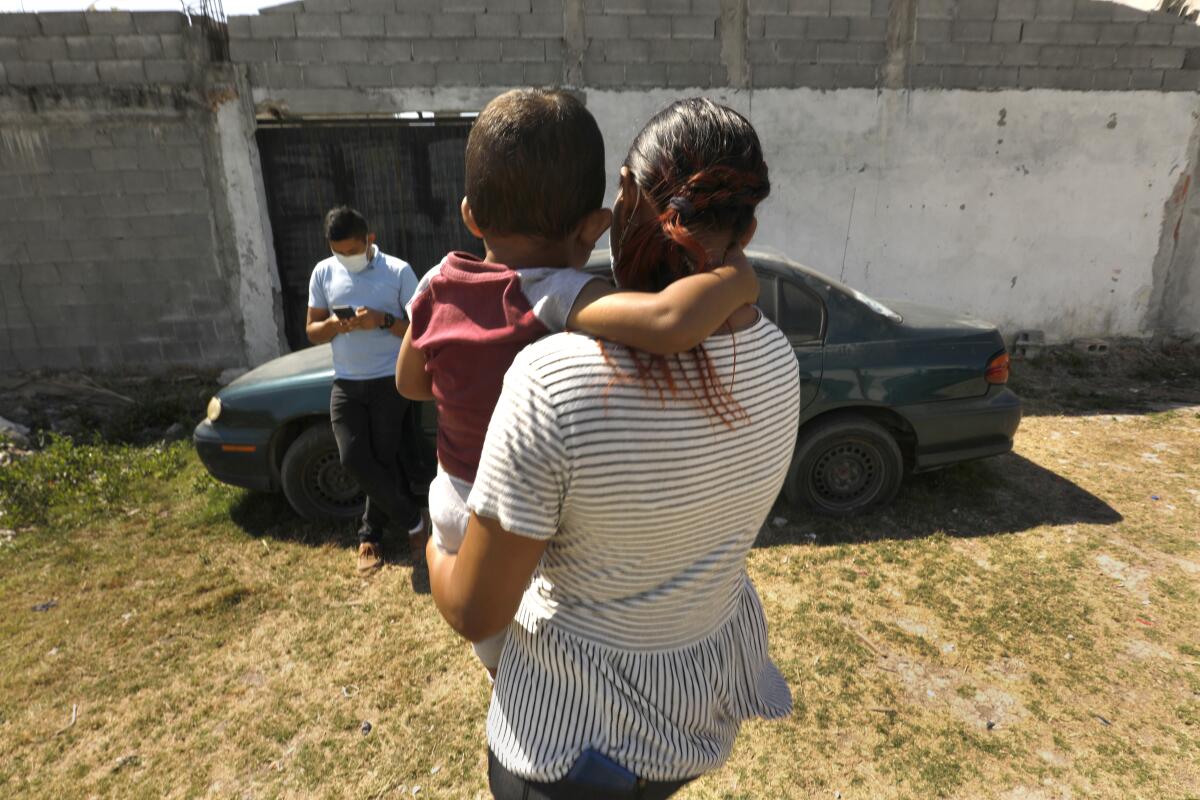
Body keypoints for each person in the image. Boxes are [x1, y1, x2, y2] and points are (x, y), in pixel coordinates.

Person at [426, 97, 802, 798]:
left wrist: (430, 548)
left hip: (567, 747)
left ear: (623, 202)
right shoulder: (779, 360)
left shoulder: (553, 380)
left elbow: (477, 612)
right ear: (748, 226)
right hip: (695, 713)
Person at [395, 89, 759, 676]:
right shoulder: (555, 294)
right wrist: (738, 280)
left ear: (470, 214)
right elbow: (669, 323)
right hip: (514, 512)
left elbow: (411, 381)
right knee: (520, 635)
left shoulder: (438, 282)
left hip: (450, 497)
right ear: (595, 226)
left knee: (494, 648)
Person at [305, 206, 428, 576]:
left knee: (382, 458)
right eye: (338, 251)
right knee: (354, 458)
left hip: (391, 381)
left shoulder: (398, 271)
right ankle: (413, 520)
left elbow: (420, 329)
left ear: (369, 239)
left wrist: (381, 320)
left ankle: (369, 537)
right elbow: (311, 330)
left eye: (351, 250)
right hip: (346, 381)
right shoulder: (323, 272)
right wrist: (334, 325)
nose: (345, 258)